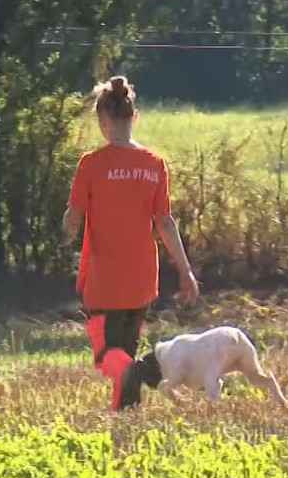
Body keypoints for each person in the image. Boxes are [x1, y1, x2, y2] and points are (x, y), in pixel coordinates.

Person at [62, 75, 199, 411]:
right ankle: (125, 419)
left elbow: (73, 219)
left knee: (109, 358)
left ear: (101, 120)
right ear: (133, 117)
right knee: (124, 355)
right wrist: (185, 271)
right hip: (141, 279)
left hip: (103, 280)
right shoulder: (154, 164)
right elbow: (165, 223)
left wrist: (65, 232)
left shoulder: (91, 165)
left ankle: (145, 371)